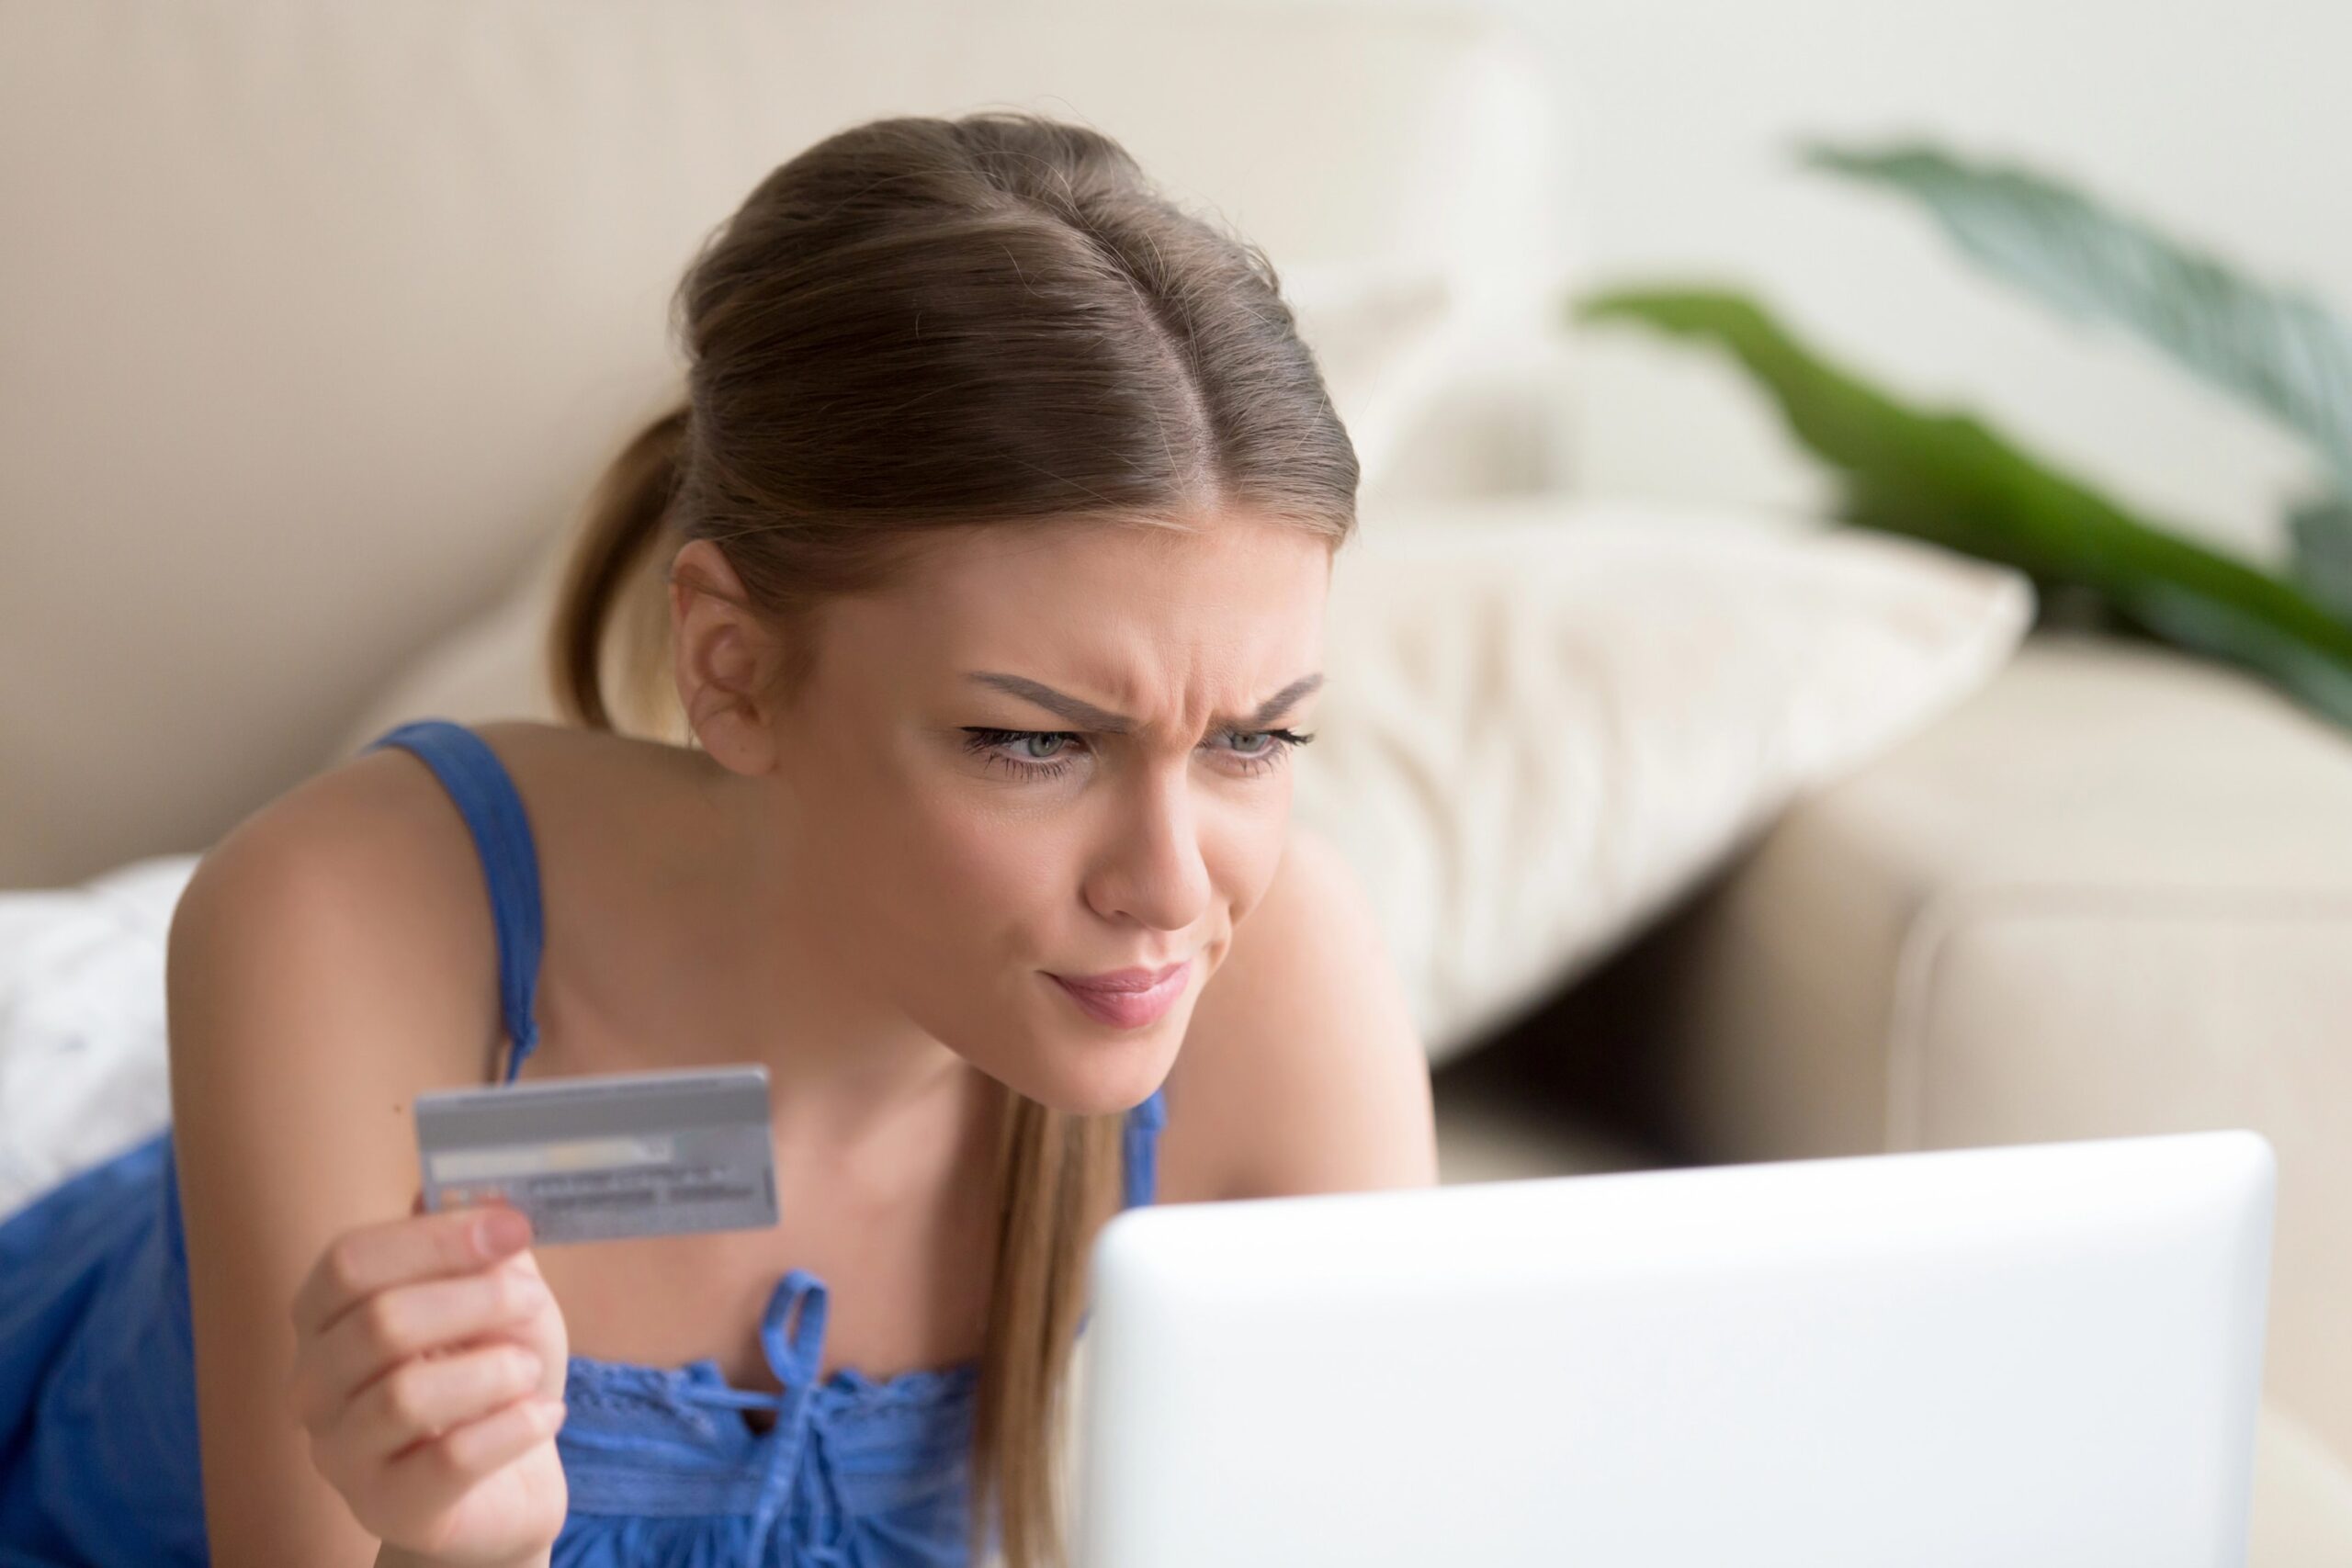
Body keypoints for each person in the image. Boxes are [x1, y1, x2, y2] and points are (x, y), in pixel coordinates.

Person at [0, 110, 1434, 1568]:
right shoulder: (344, 922)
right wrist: (459, 1550)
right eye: (1035, 743)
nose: (1172, 890)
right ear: (735, 670)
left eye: (1253, 740)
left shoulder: (1277, 983)